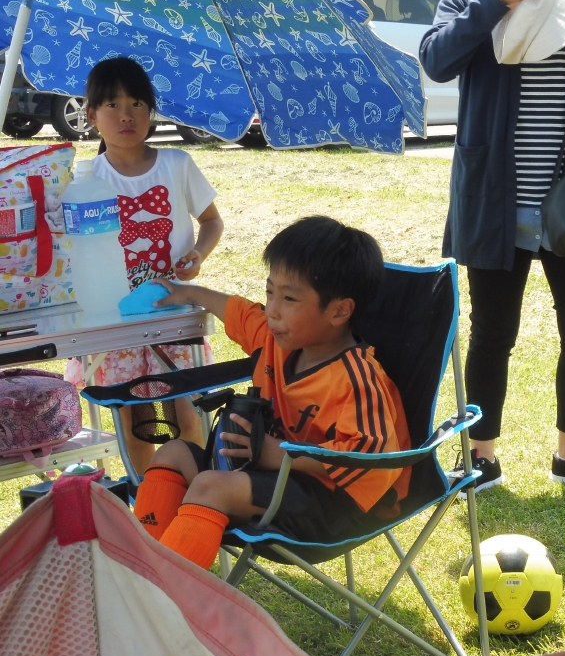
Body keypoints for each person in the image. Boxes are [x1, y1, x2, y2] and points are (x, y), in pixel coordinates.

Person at [420, 0, 565, 490]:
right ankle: (481, 458)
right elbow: (437, 61)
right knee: (492, 333)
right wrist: (494, 1)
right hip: (496, 201)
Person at [130, 217, 411, 572]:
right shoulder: (273, 339)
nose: (273, 310)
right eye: (269, 292)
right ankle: (139, 571)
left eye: (289, 298)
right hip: (270, 478)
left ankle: (164, 593)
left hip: (334, 505)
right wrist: (189, 293)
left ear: (340, 310)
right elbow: (237, 310)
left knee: (211, 486)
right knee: (173, 452)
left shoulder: (355, 379)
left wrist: (276, 454)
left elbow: (373, 457)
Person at [65, 57, 224, 475]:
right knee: (131, 418)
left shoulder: (177, 164)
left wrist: (198, 255)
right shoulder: (83, 181)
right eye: (112, 105)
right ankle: (145, 497)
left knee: (188, 413)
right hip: (113, 321)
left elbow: (212, 221)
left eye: (136, 103)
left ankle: (197, 493)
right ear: (91, 114)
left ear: (151, 112)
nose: (126, 115)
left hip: (173, 312)